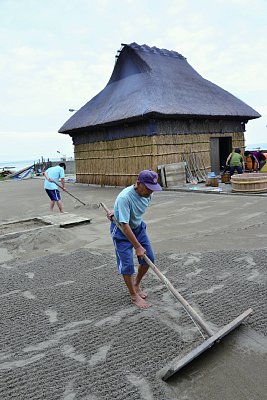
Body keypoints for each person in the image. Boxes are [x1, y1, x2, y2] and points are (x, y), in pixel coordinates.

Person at [107, 170, 162, 309]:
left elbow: (135, 210)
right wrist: (137, 246)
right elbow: (124, 226)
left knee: (148, 259)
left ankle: (136, 284)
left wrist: (118, 211)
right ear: (138, 184)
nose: (150, 192)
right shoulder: (124, 198)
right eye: (148, 188)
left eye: (152, 189)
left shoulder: (148, 194)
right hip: (121, 232)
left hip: (138, 228)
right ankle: (133, 295)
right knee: (127, 265)